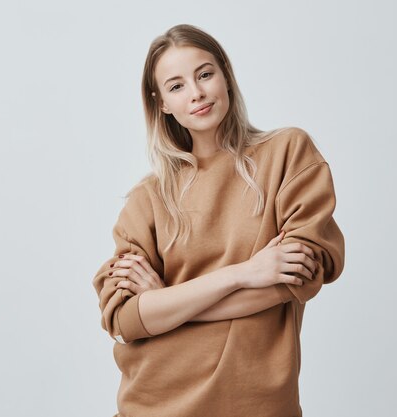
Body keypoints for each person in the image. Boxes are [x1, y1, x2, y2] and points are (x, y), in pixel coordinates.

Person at [92, 23, 345, 417]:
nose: (196, 93)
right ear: (162, 103)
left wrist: (166, 303)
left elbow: (295, 278)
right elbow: (126, 319)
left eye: (205, 74)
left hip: (258, 404)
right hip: (152, 404)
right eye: (176, 86)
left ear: (225, 74)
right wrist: (245, 273)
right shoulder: (148, 199)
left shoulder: (287, 154)